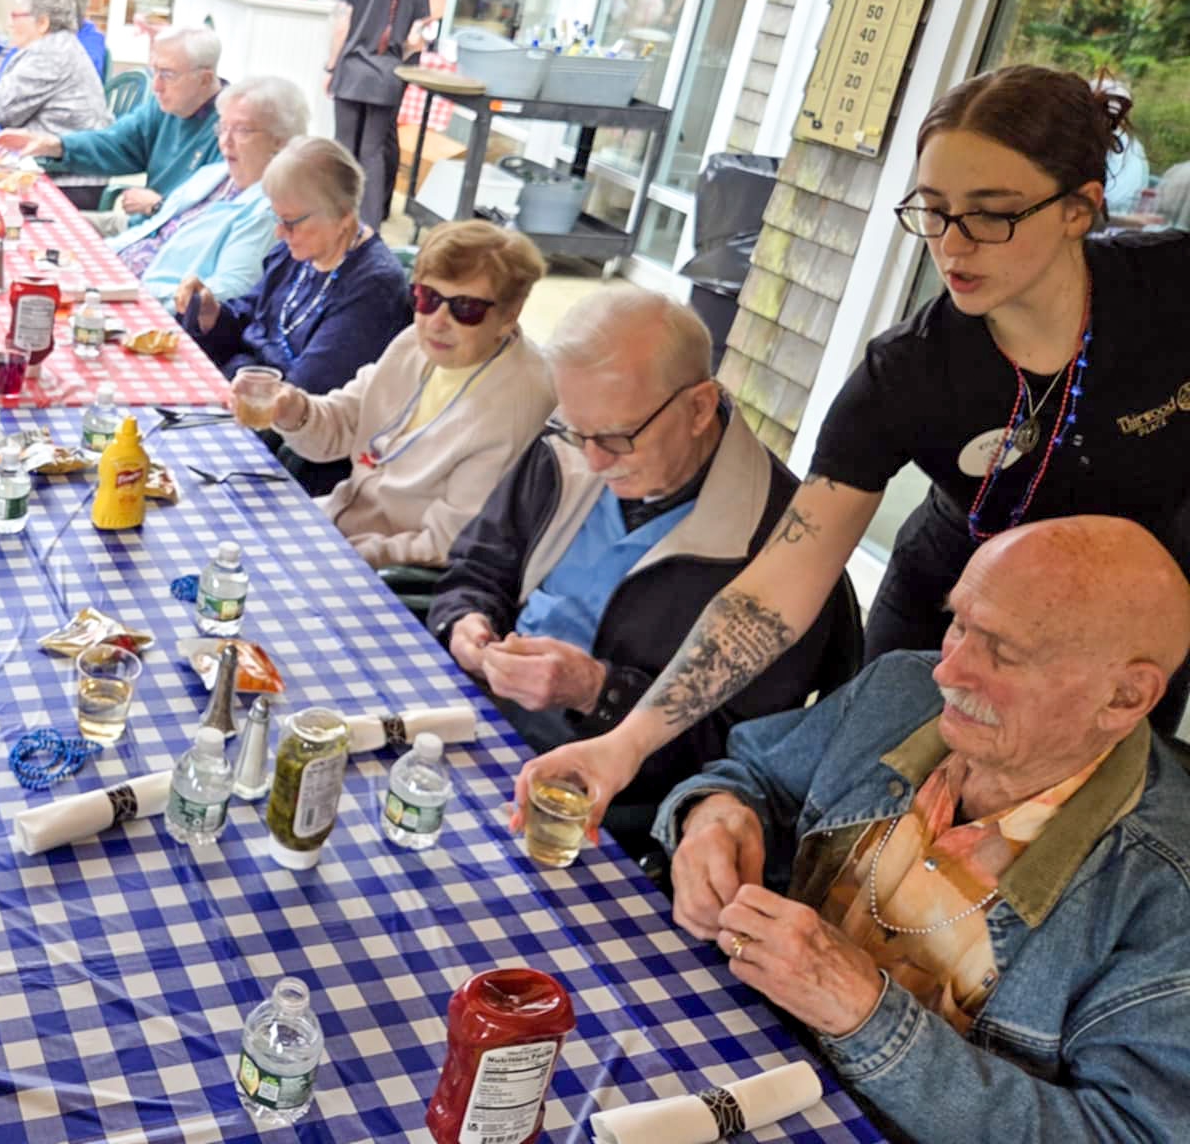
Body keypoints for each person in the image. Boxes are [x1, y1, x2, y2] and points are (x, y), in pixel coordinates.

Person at [514, 66, 1190, 842]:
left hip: (1135, 624)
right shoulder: (908, 374)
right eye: (932, 212)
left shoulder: (1171, 290)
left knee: (1092, 842)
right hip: (948, 612)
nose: (952, 244)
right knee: (883, 832)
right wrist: (625, 743)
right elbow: (777, 587)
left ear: (1080, 208)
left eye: (991, 216)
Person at [656, 516, 1190, 1144]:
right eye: (958, 622)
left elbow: (1126, 1133)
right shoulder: (901, 687)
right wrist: (713, 816)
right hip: (724, 1055)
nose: (948, 670)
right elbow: (751, 774)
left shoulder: (1165, 895)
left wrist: (865, 1018)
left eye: (1003, 651)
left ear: (1125, 697)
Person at [431, 287, 861, 847]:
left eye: (616, 438)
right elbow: (476, 566)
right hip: (476, 718)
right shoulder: (573, 439)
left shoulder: (785, 551)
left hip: (599, 797)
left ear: (699, 408)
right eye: (578, 432)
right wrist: (464, 623)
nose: (593, 460)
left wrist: (597, 691)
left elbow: (738, 759)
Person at [265, 219, 553, 569]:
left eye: (465, 308)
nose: (437, 321)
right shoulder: (415, 346)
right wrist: (295, 411)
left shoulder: (514, 407)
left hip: (380, 564)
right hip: (336, 520)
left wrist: (349, 556)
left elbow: (447, 544)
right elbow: (338, 427)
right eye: (426, 298)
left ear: (510, 316)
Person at [180, 135, 411, 404]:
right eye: (276, 218)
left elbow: (306, 391)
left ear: (343, 218)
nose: (279, 232)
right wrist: (213, 315)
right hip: (244, 392)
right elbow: (251, 317)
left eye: (291, 222)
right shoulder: (300, 251)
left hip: (288, 424)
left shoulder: (372, 288)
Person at [0, 25, 225, 222]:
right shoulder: (166, 106)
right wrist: (56, 144)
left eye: (167, 74)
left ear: (204, 79)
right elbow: (116, 143)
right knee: (27, 222)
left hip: (169, 243)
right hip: (142, 228)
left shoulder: (231, 129)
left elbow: (217, 218)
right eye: (153, 72)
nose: (156, 86)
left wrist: (159, 206)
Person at [113, 75, 301, 305]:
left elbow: (229, 291)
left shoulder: (268, 209)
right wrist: (101, 256)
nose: (225, 141)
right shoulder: (214, 175)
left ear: (279, 140)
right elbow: (152, 229)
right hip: (116, 278)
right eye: (222, 127)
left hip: (149, 308)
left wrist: (137, 292)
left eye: (241, 130)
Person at [0, 0, 110, 204]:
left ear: (42, 23)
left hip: (69, 180)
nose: (9, 24)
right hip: (56, 165)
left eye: (15, 16)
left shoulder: (49, 54)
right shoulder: (50, 46)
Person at [327, 0, 431, 228]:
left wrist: (331, 67)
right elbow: (417, 37)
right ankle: (368, 227)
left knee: (344, 147)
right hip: (388, 78)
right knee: (372, 153)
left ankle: (333, 218)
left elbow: (342, 24)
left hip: (352, 72)